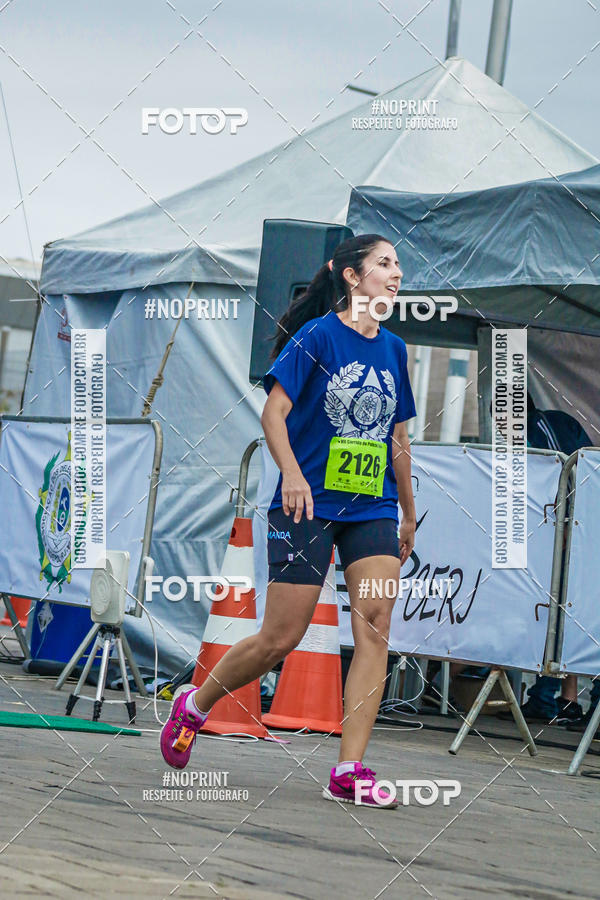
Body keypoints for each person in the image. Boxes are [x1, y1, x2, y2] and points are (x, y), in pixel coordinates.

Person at [160, 233, 417, 808]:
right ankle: (194, 706)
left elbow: (399, 438)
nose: (395, 274)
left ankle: (349, 770)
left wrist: (407, 511)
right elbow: (273, 412)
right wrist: (293, 475)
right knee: (282, 636)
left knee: (374, 624)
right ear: (353, 277)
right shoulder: (317, 337)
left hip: (370, 509)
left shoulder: (396, 350)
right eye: (384, 264)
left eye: (398, 264)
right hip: (306, 506)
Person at [500, 393, 592, 724]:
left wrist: (569, 524)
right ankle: (548, 698)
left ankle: (569, 701)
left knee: (570, 613)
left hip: (574, 530)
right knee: (552, 612)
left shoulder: (544, 429)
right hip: (556, 532)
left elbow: (568, 473)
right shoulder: (523, 434)